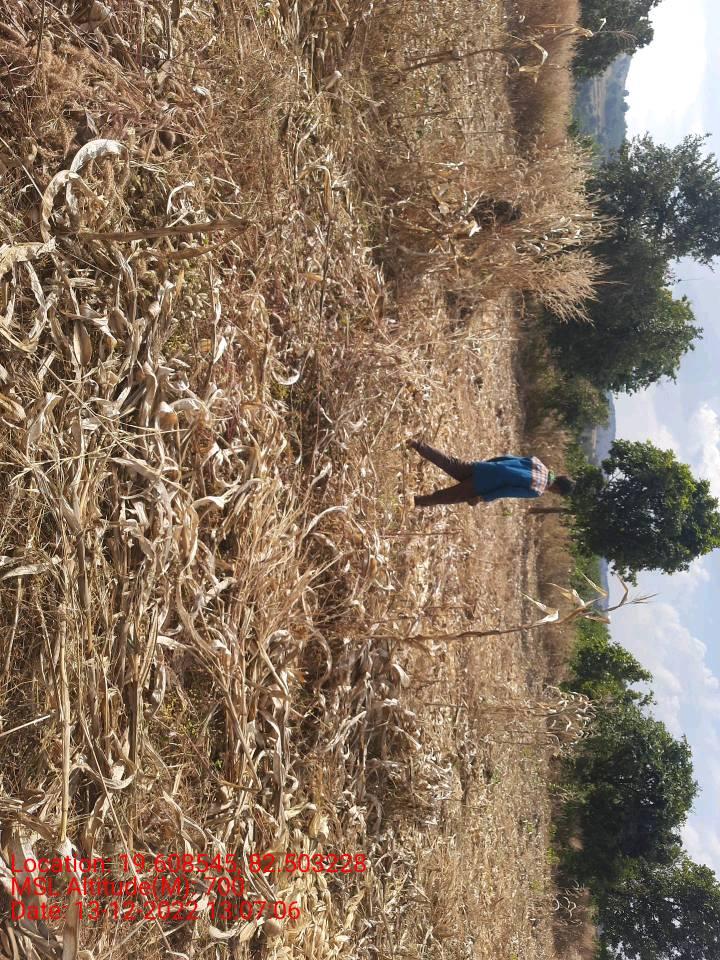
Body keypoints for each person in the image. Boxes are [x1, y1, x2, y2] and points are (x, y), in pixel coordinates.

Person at [406, 439, 575, 507]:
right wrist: (481, 498)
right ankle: (412, 502)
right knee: (446, 497)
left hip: (483, 468)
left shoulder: (538, 463)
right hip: (483, 485)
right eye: (557, 493)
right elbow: (506, 490)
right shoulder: (536, 490)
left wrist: (487, 465)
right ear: (557, 490)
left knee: (450, 463)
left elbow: (507, 458)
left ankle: (417, 444)